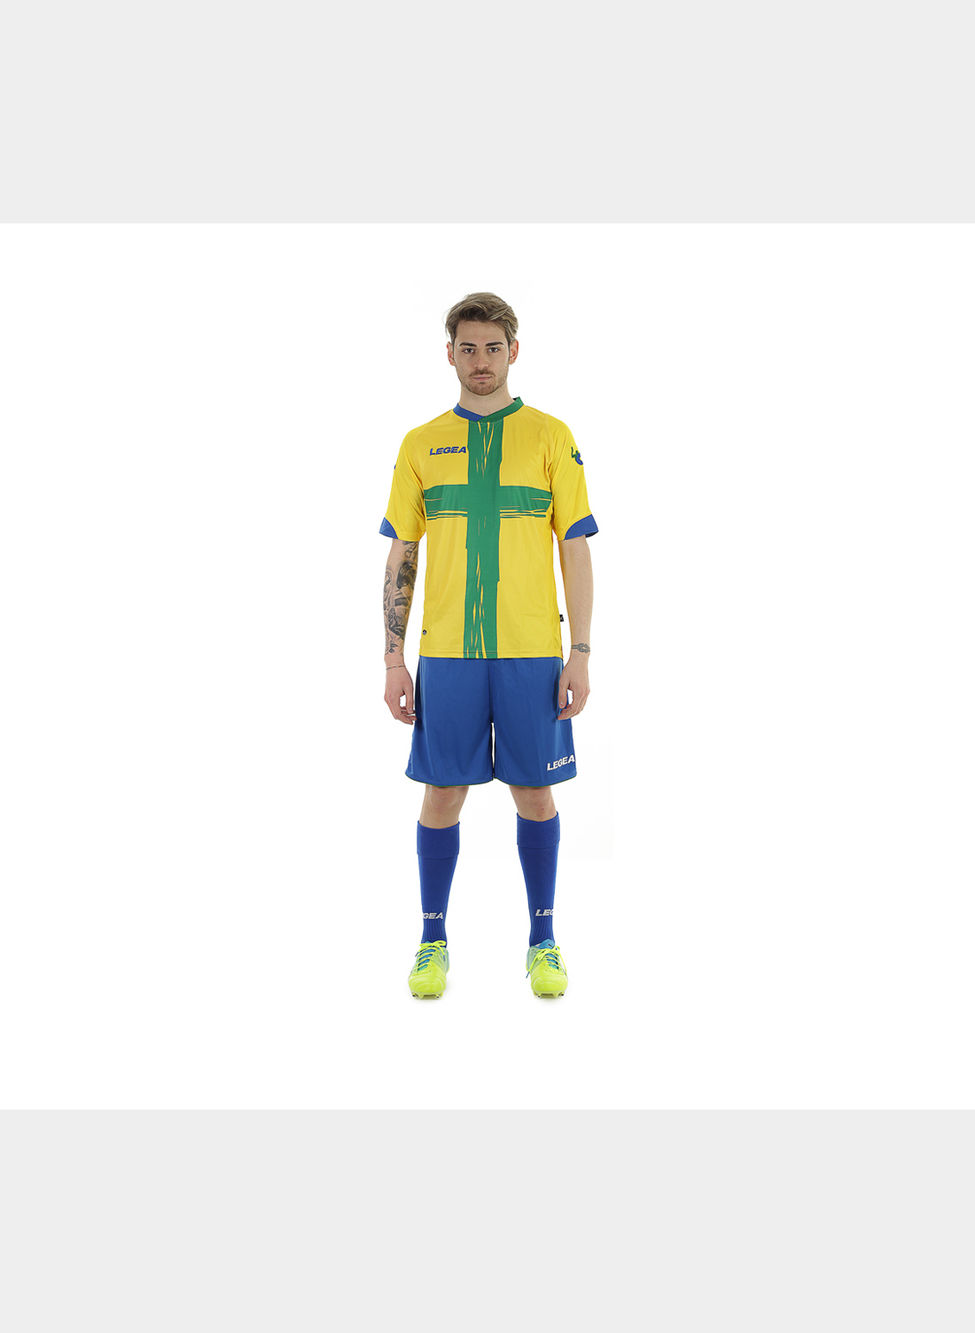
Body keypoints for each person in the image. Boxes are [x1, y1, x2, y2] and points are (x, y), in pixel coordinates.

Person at [380, 292, 597, 999]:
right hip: (446, 653)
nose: (481, 361)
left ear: (514, 352)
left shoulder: (550, 436)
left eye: (493, 348)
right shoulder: (419, 444)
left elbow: (575, 547)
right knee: (442, 792)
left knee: (534, 790)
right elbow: (402, 553)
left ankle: (543, 940)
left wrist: (580, 652)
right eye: (468, 348)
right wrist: (393, 658)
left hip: (532, 651)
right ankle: (431, 941)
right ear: (449, 353)